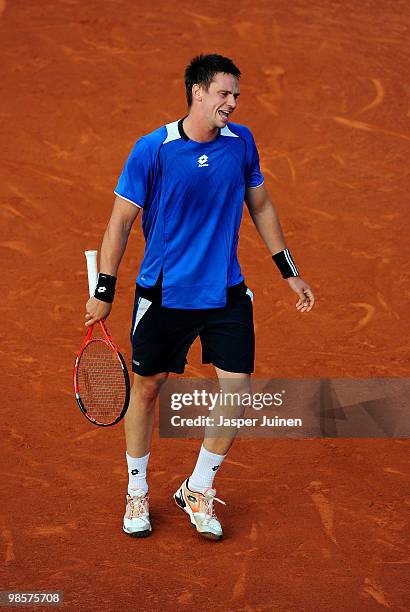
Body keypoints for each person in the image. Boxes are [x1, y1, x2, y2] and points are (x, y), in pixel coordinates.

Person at [85, 53, 315, 541]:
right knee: (148, 389)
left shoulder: (242, 143)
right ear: (197, 92)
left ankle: (198, 486)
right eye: (224, 94)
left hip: (225, 291)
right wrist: (104, 290)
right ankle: (136, 490)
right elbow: (119, 224)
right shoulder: (154, 149)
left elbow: (261, 204)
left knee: (236, 386)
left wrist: (288, 271)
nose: (231, 103)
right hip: (165, 293)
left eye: (236, 95)